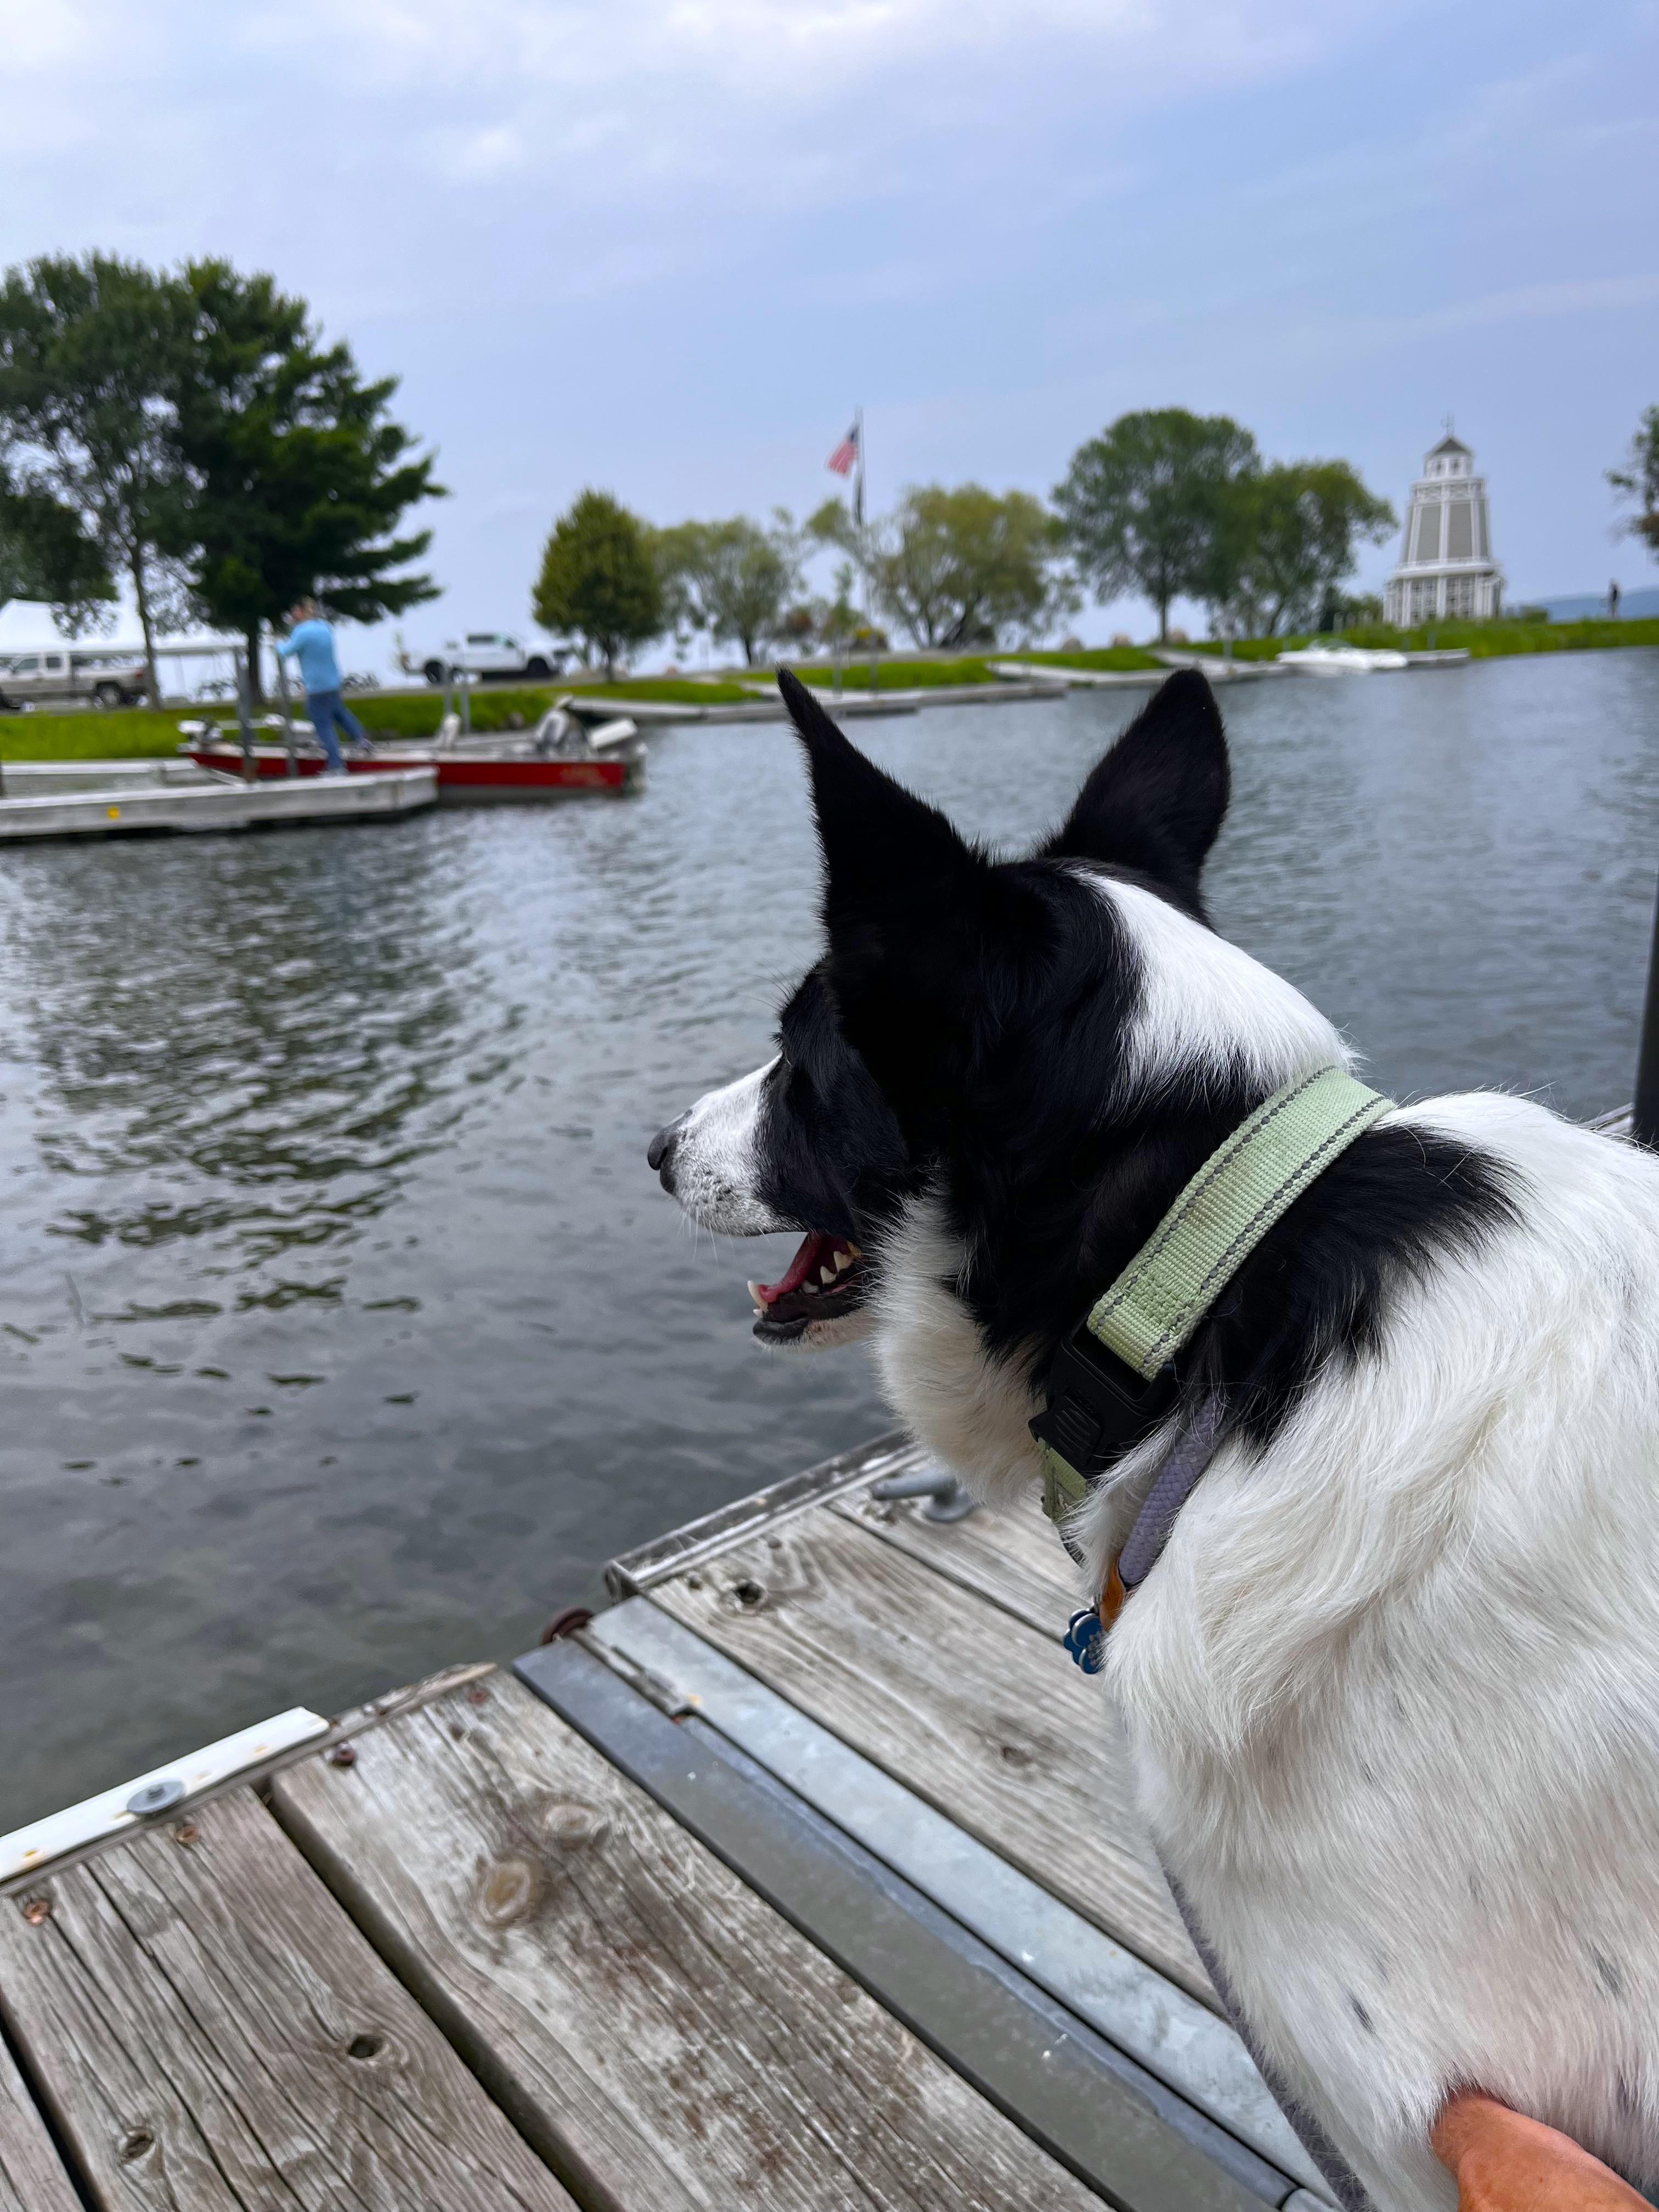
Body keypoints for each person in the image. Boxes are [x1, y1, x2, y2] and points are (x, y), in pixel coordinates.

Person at [276, 600, 373, 775]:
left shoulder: (301, 632)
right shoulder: (325, 627)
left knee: (323, 725)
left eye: (294, 611)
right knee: (339, 713)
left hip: (317, 686)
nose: (291, 615)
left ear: (301, 612)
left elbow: (285, 653)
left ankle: (336, 765)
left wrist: (277, 642)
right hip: (333, 682)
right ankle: (362, 740)